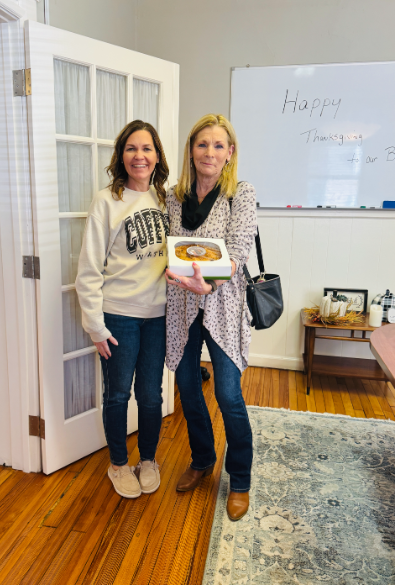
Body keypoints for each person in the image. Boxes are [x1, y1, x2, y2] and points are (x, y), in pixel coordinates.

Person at [165, 114, 257, 521]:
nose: (210, 152)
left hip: (224, 306)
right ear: (191, 149)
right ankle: (202, 459)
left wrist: (210, 285)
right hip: (181, 306)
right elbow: (170, 248)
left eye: (219, 145)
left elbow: (237, 252)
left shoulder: (241, 194)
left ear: (230, 153)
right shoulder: (172, 196)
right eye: (203, 144)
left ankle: (239, 478)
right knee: (187, 385)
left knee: (228, 394)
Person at [76, 120, 169, 499]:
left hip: (158, 316)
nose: (139, 156)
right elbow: (89, 267)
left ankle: (147, 460)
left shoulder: (166, 200)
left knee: (150, 395)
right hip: (119, 316)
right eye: (131, 148)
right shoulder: (106, 200)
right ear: (121, 155)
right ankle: (118, 464)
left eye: (146, 148)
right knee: (117, 395)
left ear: (157, 156)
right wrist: (95, 326)